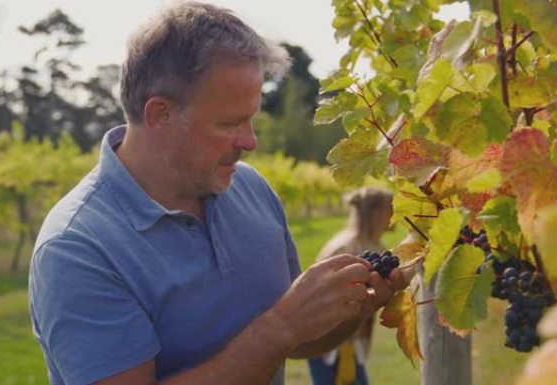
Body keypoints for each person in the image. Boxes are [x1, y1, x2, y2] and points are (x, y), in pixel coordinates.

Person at [28, 3, 407, 385]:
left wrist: (351, 308)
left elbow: (296, 341)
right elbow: (281, 334)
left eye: (252, 118)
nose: (250, 141)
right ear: (160, 114)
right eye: (230, 123)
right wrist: (279, 328)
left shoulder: (251, 190)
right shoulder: (78, 247)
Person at [307, 187, 394, 385]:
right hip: (327, 339)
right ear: (377, 213)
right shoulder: (345, 248)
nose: (396, 213)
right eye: (391, 208)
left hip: (349, 337)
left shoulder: (376, 247)